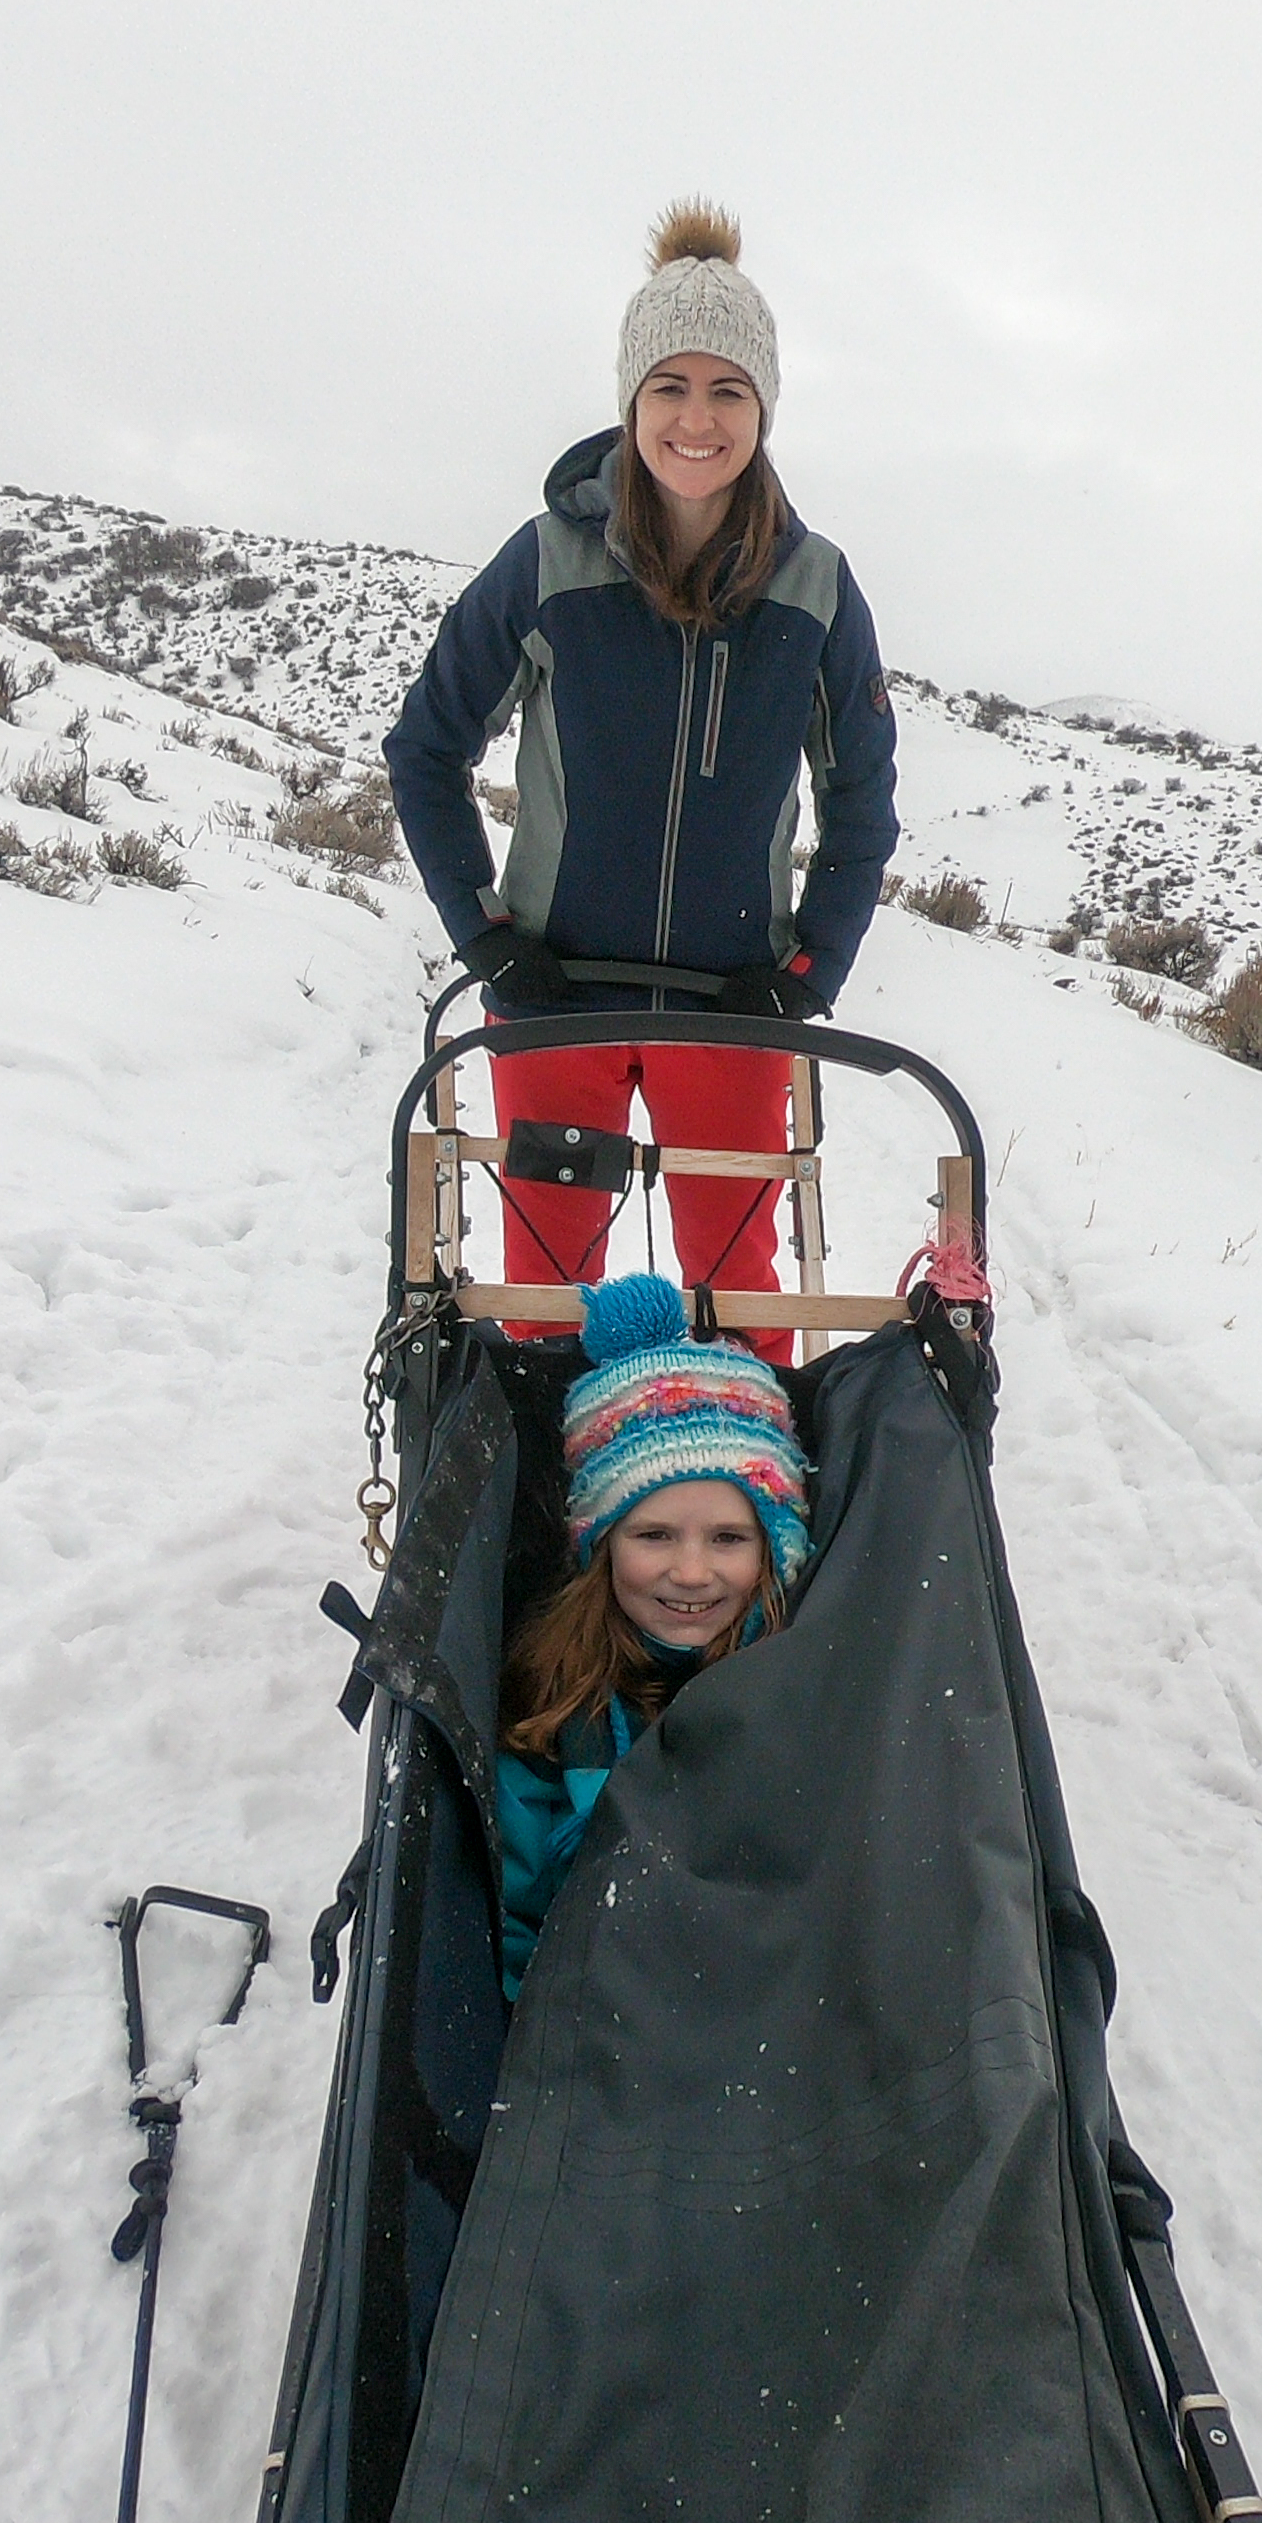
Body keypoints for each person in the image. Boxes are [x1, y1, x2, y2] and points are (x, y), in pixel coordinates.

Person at [383, 202, 900, 1357]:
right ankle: (544, 1521)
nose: (697, 419)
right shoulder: (546, 560)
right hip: (557, 996)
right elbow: (424, 748)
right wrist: (486, 937)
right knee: (547, 1304)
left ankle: (740, 1524)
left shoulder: (816, 586)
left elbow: (862, 800)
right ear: (631, 401)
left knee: (741, 1306)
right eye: (670, 386)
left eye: (727, 390)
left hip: (731, 1010)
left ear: (763, 409)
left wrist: (810, 968)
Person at [486, 1274, 812, 1999]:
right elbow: (515, 1913)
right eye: (654, 1535)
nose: (691, 1572)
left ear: (773, 1550)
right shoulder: (558, 1705)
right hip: (608, 2012)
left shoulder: (805, 1687)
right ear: (601, 1545)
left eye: (729, 1537)